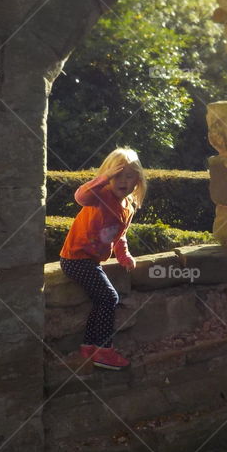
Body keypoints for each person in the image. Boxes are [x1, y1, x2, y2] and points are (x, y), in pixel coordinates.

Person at [58, 147, 147, 370]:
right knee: (109, 298)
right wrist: (103, 179)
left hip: (91, 261)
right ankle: (104, 351)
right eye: (117, 175)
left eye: (129, 175)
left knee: (101, 300)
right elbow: (79, 196)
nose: (122, 181)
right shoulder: (100, 195)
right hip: (75, 258)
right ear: (107, 176)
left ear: (138, 180)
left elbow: (120, 234)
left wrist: (123, 254)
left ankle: (89, 346)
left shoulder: (128, 206)